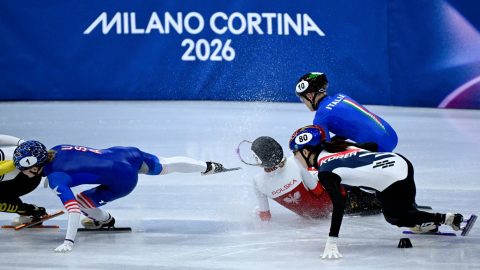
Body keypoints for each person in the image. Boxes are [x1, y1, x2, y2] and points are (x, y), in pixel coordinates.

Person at [12, 140, 227, 253]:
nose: (22, 172)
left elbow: (73, 211)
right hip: (123, 154)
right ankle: (208, 166)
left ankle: (105, 220)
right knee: (166, 165)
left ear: (37, 164)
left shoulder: (58, 177)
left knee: (79, 202)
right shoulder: (56, 149)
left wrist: (68, 241)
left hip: (122, 180)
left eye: (23, 168)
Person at [288, 125, 464, 259]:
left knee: (395, 217)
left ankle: (446, 218)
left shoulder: (325, 171)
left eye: (295, 154)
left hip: (394, 180)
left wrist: (332, 241)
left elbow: (339, 205)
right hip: (400, 162)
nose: (295, 158)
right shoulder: (337, 145)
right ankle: (420, 218)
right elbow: (371, 145)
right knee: (386, 200)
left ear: (305, 151)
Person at [247, 136, 381, 221]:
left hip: (311, 215)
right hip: (339, 201)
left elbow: (265, 216)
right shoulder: (295, 162)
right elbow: (318, 191)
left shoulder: (257, 181)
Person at [295, 72, 398, 152]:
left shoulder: (320, 117)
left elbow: (326, 149)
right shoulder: (341, 96)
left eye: (302, 99)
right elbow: (350, 125)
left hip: (378, 147)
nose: (304, 102)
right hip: (391, 135)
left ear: (310, 95)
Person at [0, 135, 47, 225]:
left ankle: (30, 211)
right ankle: (27, 211)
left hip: (25, 179)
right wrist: (20, 142)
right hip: (20, 171)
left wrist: (21, 143)